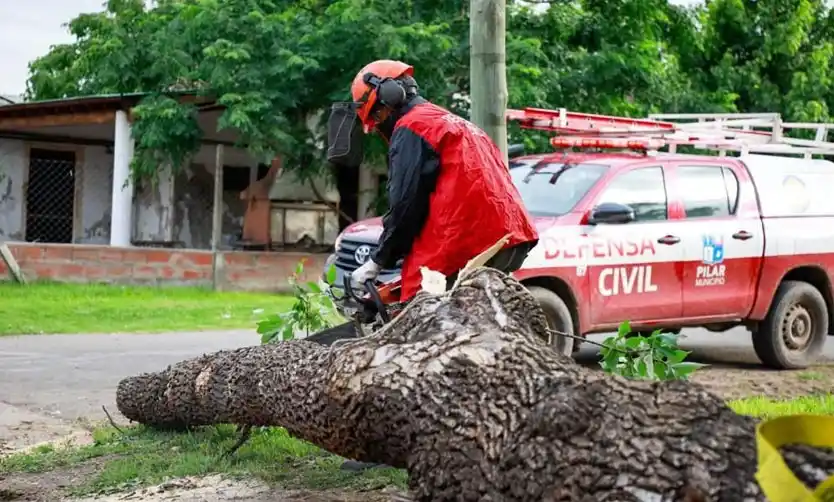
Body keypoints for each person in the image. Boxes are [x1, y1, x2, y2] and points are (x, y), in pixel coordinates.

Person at [328, 59, 540, 308]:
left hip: (469, 243)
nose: (377, 124)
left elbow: (405, 206)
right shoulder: (455, 123)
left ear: (390, 97)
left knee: (416, 310)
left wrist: (377, 261)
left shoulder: (414, 127)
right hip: (509, 238)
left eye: (376, 114)